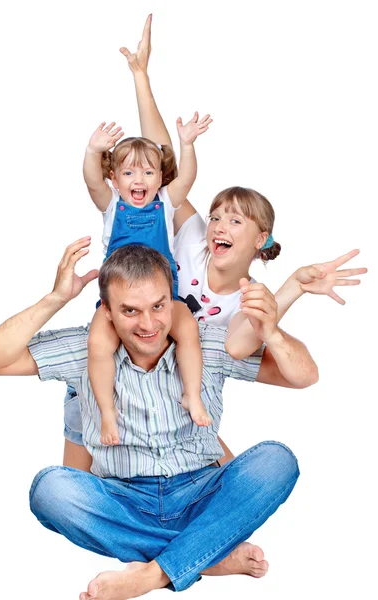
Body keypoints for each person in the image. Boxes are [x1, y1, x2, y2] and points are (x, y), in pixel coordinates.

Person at [59, 14, 367, 473]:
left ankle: (221, 532)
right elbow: (162, 164)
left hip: (165, 392)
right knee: (81, 482)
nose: (218, 224)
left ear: (260, 238)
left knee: (206, 454)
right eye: (217, 214)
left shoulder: (242, 304)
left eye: (234, 220)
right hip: (111, 362)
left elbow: (271, 360)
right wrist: (142, 78)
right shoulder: (191, 239)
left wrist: (296, 286)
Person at [0, 238, 319, 599]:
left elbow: (304, 375)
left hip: (203, 493)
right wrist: (56, 298)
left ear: (171, 299)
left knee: (276, 460)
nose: (149, 324)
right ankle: (207, 554)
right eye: (130, 311)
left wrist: (272, 333)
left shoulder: (207, 343)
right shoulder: (85, 349)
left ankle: (153, 574)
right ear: (106, 310)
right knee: (51, 490)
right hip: (124, 501)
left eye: (158, 306)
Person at [84, 111, 213, 446]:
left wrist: (186, 144)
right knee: (98, 345)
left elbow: (187, 179)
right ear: (114, 177)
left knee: (188, 332)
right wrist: (92, 151)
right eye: (128, 172)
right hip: (120, 299)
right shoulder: (112, 206)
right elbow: (91, 181)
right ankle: (107, 410)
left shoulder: (165, 204)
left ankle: (193, 395)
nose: (137, 179)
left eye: (147, 171)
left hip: (162, 297)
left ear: (159, 179)